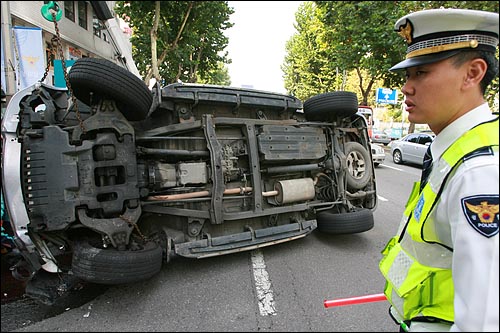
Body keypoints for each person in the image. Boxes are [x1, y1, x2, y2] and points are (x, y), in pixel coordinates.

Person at [378, 8, 499, 332]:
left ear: (473, 73)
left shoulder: (481, 172)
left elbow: (484, 321)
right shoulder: (450, 148)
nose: (406, 87)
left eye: (421, 73)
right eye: (407, 75)